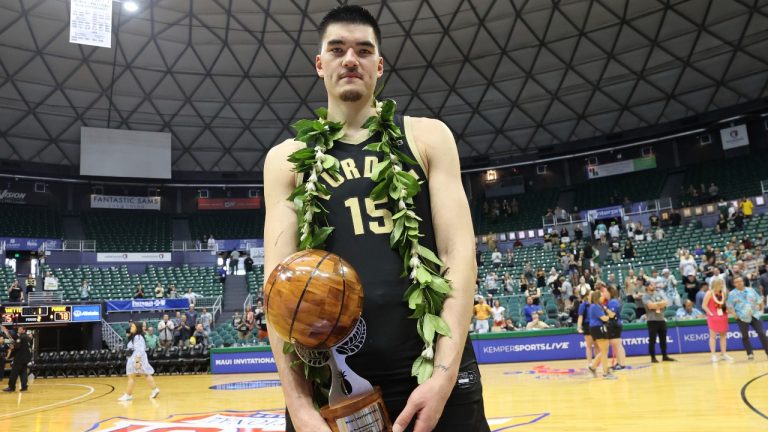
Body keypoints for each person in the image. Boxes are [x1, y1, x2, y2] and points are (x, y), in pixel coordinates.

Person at [263, 6, 488, 432]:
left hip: (430, 368)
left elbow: (458, 253)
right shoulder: (286, 160)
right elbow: (278, 286)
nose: (351, 59)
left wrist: (442, 377)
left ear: (379, 66)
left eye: (364, 50)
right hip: (332, 385)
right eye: (338, 49)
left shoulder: (427, 136)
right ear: (320, 63)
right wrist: (299, 406)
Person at [727, 276, 768, 360]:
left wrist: (761, 311)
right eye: (737, 282)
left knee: (761, 333)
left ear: (743, 281)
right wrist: (735, 315)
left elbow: (759, 301)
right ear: (734, 284)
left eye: (740, 281)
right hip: (742, 317)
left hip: (755, 315)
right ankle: (750, 353)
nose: (739, 283)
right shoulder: (732, 294)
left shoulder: (751, 290)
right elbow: (729, 306)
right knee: (745, 336)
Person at [117, 322, 160, 401]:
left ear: (137, 328)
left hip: (136, 359)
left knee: (131, 377)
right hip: (138, 358)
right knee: (146, 374)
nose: (131, 328)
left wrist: (138, 362)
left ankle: (128, 395)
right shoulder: (136, 336)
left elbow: (139, 350)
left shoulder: (138, 337)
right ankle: (155, 389)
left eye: (133, 326)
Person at [586, 291, 617, 380]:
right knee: (604, 351)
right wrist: (608, 317)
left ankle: (593, 367)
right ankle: (605, 372)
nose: (603, 297)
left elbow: (611, 315)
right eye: (602, 296)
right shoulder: (595, 306)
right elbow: (604, 318)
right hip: (598, 328)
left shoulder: (599, 306)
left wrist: (608, 314)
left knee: (604, 351)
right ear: (598, 297)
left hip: (599, 327)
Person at [642, 283, 675, 363]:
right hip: (652, 320)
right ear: (647, 287)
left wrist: (656, 305)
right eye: (651, 285)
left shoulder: (659, 294)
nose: (653, 286)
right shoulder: (645, 296)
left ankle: (665, 356)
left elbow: (666, 302)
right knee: (652, 340)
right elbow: (650, 306)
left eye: (654, 285)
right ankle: (653, 358)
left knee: (663, 339)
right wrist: (660, 304)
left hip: (661, 319)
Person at [702, 278, 731, 362]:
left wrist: (727, 311)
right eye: (720, 284)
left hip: (723, 317)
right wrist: (710, 314)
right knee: (713, 337)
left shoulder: (723, 293)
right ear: (716, 284)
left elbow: (723, 304)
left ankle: (724, 354)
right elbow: (704, 305)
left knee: (723, 336)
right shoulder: (709, 293)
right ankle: (713, 355)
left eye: (722, 284)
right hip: (713, 317)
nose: (722, 285)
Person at [1, 325, 32, 392]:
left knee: (14, 373)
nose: (18, 330)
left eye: (20, 329)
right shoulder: (28, 337)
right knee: (23, 372)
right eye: (18, 329)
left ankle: (11, 387)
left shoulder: (21, 337)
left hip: (19, 358)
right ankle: (24, 387)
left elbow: (17, 347)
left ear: (24, 330)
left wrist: (13, 347)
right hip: (26, 358)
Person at [605, 286, 626, 371]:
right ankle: (619, 363)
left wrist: (605, 309)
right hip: (613, 325)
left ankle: (622, 364)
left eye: (606, 292)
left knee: (618, 345)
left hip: (615, 325)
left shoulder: (613, 302)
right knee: (615, 345)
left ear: (610, 292)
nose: (604, 294)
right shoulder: (610, 301)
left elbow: (612, 314)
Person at [576, 290, 595, 368]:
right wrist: (579, 327)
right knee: (589, 345)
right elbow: (580, 317)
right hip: (587, 325)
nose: (592, 296)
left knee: (597, 345)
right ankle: (590, 363)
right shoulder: (583, 305)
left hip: (596, 326)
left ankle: (598, 362)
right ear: (587, 296)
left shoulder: (597, 305)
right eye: (591, 294)